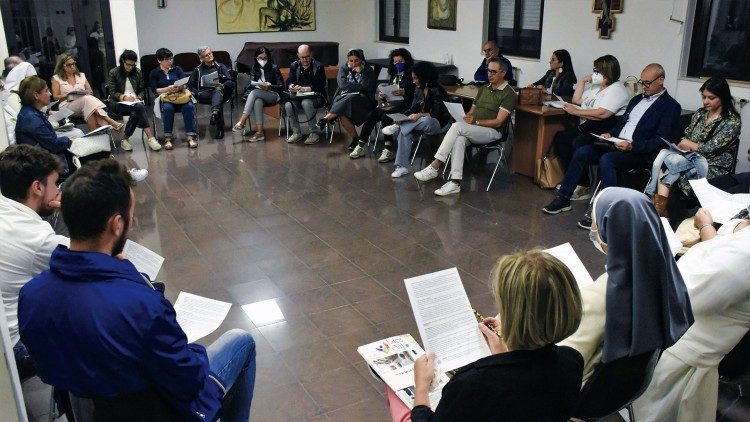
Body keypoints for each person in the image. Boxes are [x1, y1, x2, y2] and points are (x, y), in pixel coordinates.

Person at [18, 159, 256, 421]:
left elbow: (48, 369)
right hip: (159, 410)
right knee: (241, 341)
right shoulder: (141, 305)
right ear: (116, 224)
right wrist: (190, 347)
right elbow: (188, 379)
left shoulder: (31, 296)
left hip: (90, 412)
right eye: (132, 216)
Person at [408, 250, 583, 421]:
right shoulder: (571, 361)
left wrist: (422, 389)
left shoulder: (472, 383)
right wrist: (505, 356)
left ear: (513, 315)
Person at [560, 187, 693, 385]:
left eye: (596, 222)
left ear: (610, 230)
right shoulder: (666, 278)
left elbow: (562, 361)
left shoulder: (601, 296)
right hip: (630, 385)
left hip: (582, 392)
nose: (592, 229)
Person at [632, 205, 750, 421]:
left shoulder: (745, 255)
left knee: (650, 410)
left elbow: (683, 293)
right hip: (680, 335)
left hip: (681, 348)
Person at [543, 63, 681, 229]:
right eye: (641, 82)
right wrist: (610, 134)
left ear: (661, 80)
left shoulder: (671, 107)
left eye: (647, 83)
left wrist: (633, 146)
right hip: (617, 143)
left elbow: (662, 140)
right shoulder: (637, 99)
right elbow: (622, 124)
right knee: (583, 151)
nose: (643, 87)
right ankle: (563, 198)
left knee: (608, 160)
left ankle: (606, 213)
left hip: (639, 153)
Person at [0, 145, 69, 379]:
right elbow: (96, 257)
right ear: (37, 187)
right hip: (16, 348)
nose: (57, 192)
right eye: (54, 185)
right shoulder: (37, 237)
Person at [414, 57, 517, 196]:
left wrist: (475, 122)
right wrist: (464, 117)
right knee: (459, 138)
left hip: (493, 132)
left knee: (457, 128)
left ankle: (435, 165)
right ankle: (455, 183)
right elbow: (471, 113)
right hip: (475, 129)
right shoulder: (483, 89)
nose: (490, 74)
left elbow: (499, 121)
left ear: (503, 73)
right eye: (488, 71)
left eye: (494, 72)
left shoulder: (509, 93)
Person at [15, 76, 148, 181]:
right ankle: (125, 177)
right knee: (100, 153)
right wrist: (69, 141)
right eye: (46, 91)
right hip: (51, 161)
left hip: (46, 156)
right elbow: (54, 145)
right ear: (36, 95)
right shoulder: (32, 119)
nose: (50, 94)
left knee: (100, 150)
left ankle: (123, 176)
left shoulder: (30, 114)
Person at [645, 77, 741, 217]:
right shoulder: (700, 114)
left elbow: (710, 149)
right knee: (664, 159)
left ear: (723, 97)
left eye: (711, 98)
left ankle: (662, 210)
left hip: (712, 163)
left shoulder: (732, 121)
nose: (705, 101)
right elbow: (686, 135)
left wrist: (690, 144)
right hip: (689, 156)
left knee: (673, 168)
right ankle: (661, 210)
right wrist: (685, 145)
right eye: (703, 97)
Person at [552, 54, 630, 200]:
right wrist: (582, 81)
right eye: (594, 70)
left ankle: (583, 184)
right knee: (561, 138)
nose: (594, 74)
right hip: (589, 125)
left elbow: (603, 113)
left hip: (604, 129)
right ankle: (572, 179)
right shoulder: (596, 87)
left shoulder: (617, 89)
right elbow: (577, 100)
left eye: (597, 71)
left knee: (578, 141)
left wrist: (577, 111)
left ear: (607, 72)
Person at [388, 61, 450, 178]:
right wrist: (404, 117)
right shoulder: (419, 89)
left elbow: (436, 114)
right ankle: (402, 167)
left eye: (416, 78)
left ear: (424, 77)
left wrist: (420, 115)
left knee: (424, 120)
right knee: (404, 132)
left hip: (439, 123)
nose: (413, 81)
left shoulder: (437, 90)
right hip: (420, 123)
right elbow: (413, 108)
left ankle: (398, 126)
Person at [351, 48, 415, 161]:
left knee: (386, 117)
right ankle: (360, 146)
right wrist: (384, 95)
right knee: (371, 115)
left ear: (406, 61)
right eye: (395, 62)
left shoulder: (411, 75)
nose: (398, 64)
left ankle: (388, 149)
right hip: (391, 103)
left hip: (405, 105)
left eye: (400, 61)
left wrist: (405, 91)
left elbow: (415, 92)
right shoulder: (395, 75)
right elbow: (390, 89)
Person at [316, 49, 377, 150]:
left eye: (356, 60)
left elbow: (368, 86)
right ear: (348, 60)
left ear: (361, 59)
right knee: (343, 114)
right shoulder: (344, 68)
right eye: (351, 61)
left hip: (363, 100)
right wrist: (359, 85)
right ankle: (355, 139)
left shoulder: (367, 69)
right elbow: (342, 85)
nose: (354, 63)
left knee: (350, 97)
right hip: (345, 98)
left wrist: (360, 74)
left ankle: (327, 118)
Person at [51, 53, 124, 132]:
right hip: (67, 105)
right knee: (86, 100)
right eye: (69, 65)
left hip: (84, 104)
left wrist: (80, 93)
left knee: (89, 108)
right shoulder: (56, 78)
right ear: (62, 66)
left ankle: (96, 137)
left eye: (73, 63)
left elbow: (90, 92)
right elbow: (55, 96)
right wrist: (69, 95)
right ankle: (111, 122)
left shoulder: (81, 76)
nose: (72, 66)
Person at [106, 49, 161, 152]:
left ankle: (125, 140)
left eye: (133, 65)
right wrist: (124, 97)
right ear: (122, 61)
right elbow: (112, 92)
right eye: (128, 64)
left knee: (136, 111)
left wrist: (139, 98)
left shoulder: (137, 72)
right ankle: (150, 138)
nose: (130, 67)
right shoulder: (114, 72)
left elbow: (142, 90)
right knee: (139, 108)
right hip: (118, 103)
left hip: (135, 103)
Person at [232, 46, 284, 142]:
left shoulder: (274, 67)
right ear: (256, 58)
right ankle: (259, 133)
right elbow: (251, 84)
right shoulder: (254, 68)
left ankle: (242, 121)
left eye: (265, 58)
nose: (262, 60)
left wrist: (270, 86)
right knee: (257, 101)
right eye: (260, 58)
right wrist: (259, 86)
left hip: (273, 95)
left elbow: (281, 86)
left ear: (268, 58)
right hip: (259, 95)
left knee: (254, 93)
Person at [150, 47, 198, 150]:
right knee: (168, 108)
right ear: (159, 60)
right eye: (166, 59)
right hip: (166, 98)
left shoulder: (177, 69)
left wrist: (179, 86)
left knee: (189, 106)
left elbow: (185, 83)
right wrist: (167, 88)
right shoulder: (154, 73)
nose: (169, 61)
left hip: (180, 96)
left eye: (171, 59)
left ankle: (190, 137)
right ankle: (167, 138)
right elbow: (155, 90)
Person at [188, 46, 235, 140]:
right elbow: (190, 85)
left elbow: (231, 81)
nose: (209, 56)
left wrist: (223, 85)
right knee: (218, 99)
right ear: (201, 58)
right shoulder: (198, 70)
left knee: (218, 91)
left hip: (221, 92)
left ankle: (216, 117)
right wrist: (196, 92)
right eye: (206, 55)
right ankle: (217, 120)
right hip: (204, 94)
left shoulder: (221, 66)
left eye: (210, 53)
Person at [283, 44, 327, 145]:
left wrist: (306, 89)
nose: (305, 59)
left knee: (306, 102)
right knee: (288, 105)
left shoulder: (318, 66)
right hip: (298, 97)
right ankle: (296, 132)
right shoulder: (294, 65)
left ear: (311, 54)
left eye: (307, 56)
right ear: (298, 55)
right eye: (302, 57)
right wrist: (292, 86)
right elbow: (289, 81)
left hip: (316, 96)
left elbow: (321, 84)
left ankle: (314, 133)